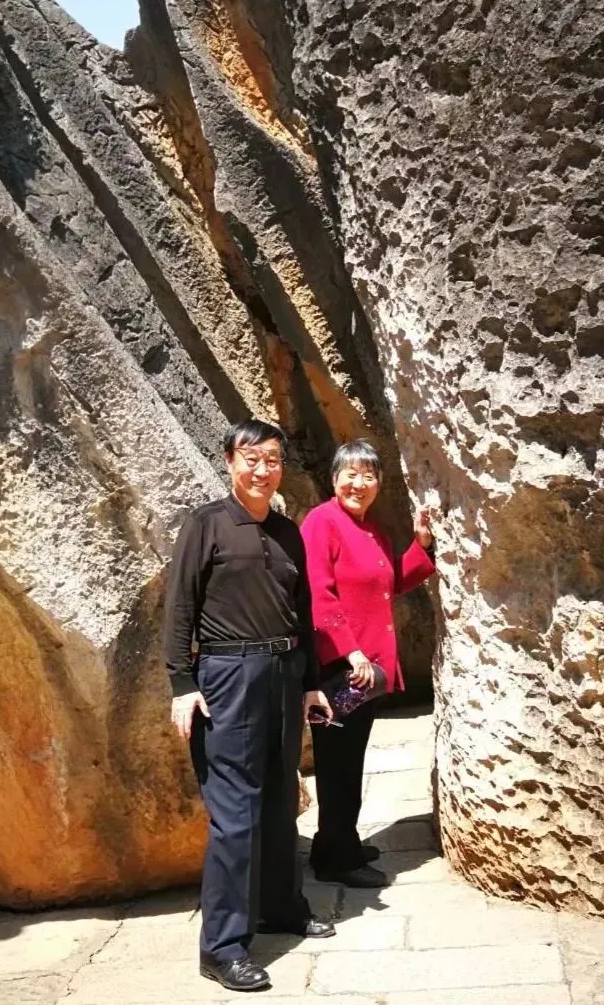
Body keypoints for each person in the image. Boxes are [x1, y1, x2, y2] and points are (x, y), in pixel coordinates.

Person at [164, 418, 336, 993]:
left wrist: (310, 682)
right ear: (230, 462)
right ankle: (222, 948)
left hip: (284, 674)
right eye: (252, 459)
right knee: (235, 814)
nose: (263, 470)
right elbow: (179, 609)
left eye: (273, 460)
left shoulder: (288, 533)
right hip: (227, 676)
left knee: (280, 797)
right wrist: (182, 683)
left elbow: (302, 612)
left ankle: (281, 907)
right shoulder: (206, 524)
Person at [300, 439, 435, 888]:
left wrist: (421, 545)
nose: (359, 484)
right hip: (339, 669)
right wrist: (351, 650)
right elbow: (317, 594)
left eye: (369, 475)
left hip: (367, 671)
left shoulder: (372, 530)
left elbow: (388, 583)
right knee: (336, 764)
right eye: (351, 474)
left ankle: (336, 844)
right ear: (334, 478)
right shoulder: (322, 522)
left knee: (350, 759)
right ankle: (338, 860)